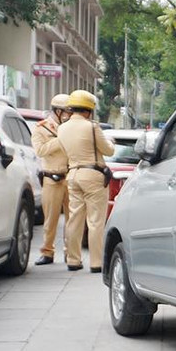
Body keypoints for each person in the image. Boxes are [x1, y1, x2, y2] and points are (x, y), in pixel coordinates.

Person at [57, 90, 114, 273]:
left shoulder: (62, 128)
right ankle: (96, 262)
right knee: (96, 221)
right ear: (89, 110)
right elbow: (108, 150)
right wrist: (110, 141)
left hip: (73, 174)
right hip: (93, 175)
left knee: (74, 220)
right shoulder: (91, 127)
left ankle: (73, 260)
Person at [30, 94, 71, 266]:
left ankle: (71, 253)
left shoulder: (72, 128)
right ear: (58, 111)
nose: (69, 115)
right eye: (67, 111)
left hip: (70, 176)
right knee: (51, 219)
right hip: (51, 177)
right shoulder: (41, 128)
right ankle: (47, 252)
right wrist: (60, 140)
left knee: (73, 219)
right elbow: (40, 150)